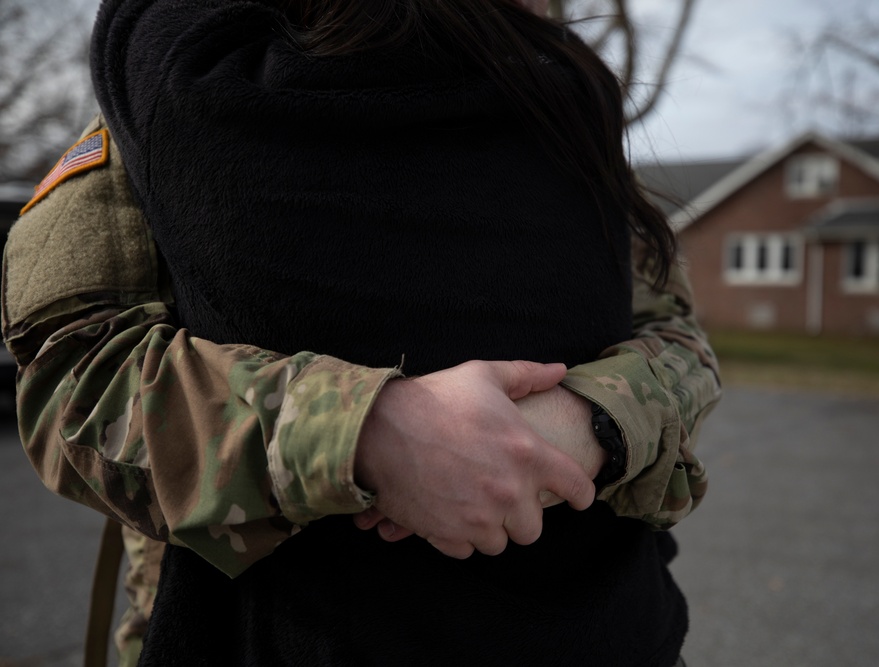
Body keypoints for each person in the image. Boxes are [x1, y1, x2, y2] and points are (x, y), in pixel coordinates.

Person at [2, 0, 721, 664]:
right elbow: (74, 377)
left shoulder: (556, 93)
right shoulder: (178, 73)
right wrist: (366, 431)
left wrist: (587, 422)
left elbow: (674, 331)